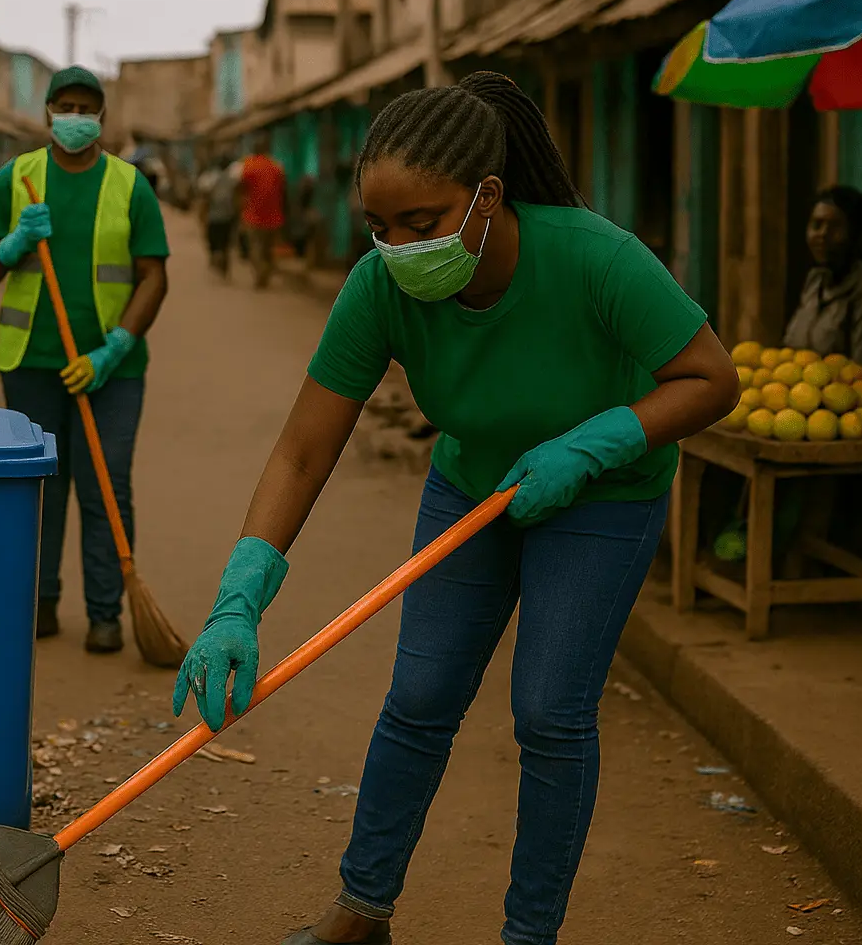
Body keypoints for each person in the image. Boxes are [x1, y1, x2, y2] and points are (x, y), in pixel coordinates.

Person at [172, 73, 738, 945]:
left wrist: (592, 445)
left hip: (604, 493)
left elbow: (711, 378)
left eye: (422, 224)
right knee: (421, 696)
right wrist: (242, 589)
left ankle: (529, 935)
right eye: (379, 226)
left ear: (488, 199)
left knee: (550, 714)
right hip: (472, 486)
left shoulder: (597, 258)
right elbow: (303, 447)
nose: (398, 247)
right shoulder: (380, 289)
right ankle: (361, 912)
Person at [0, 65, 169, 653]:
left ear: (102, 116)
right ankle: (40, 604)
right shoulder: (17, 179)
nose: (75, 117)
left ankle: (105, 614)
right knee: (38, 487)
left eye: (86, 108)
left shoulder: (130, 185)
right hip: (30, 364)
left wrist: (116, 347)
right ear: (47, 111)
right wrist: (9, 245)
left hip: (112, 369)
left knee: (105, 486)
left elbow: (154, 276)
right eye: (64, 106)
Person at [782, 185, 862, 375]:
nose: (822, 234)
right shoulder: (815, 281)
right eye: (816, 225)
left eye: (835, 227)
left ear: (857, 235)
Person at [239, 134, 286, 289]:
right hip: (274, 216)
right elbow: (284, 192)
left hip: (253, 216)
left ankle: (260, 273)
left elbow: (241, 189)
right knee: (268, 249)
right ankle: (265, 273)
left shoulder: (248, 166)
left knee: (255, 248)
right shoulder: (276, 167)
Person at [203, 156, 240, 278]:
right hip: (228, 216)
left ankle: (216, 259)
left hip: (214, 216)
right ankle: (224, 266)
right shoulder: (232, 179)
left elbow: (205, 196)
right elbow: (236, 197)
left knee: (214, 241)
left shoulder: (211, 178)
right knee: (226, 243)